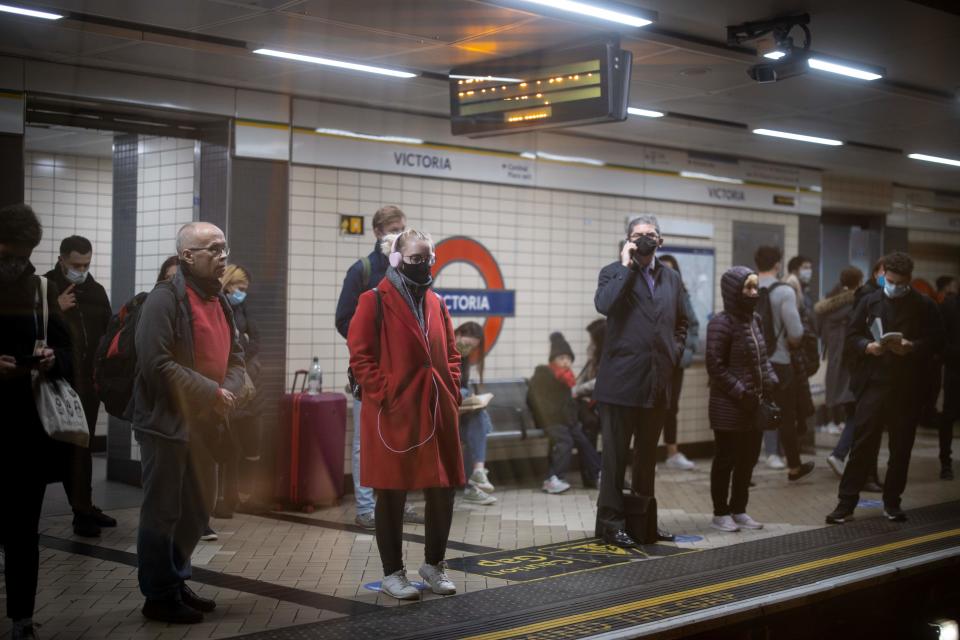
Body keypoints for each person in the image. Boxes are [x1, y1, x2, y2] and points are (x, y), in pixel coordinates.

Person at [133, 222, 246, 623]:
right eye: (212, 249)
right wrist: (210, 391)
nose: (221, 256)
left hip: (206, 425)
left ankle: (175, 581)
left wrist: (227, 388)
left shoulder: (221, 301)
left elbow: (236, 359)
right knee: (162, 512)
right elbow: (155, 363)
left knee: (197, 511)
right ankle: (158, 596)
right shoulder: (164, 300)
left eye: (224, 248)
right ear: (186, 256)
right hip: (166, 425)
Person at [347, 229, 463, 600]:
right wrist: (386, 394)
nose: (424, 265)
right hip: (393, 412)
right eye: (415, 259)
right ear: (396, 259)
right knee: (392, 493)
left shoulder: (436, 302)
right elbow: (361, 356)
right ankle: (393, 573)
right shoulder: (373, 300)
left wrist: (452, 387)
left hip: (436, 407)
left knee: (443, 489)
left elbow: (452, 352)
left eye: (428, 258)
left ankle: (433, 565)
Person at [826, 252, 945, 524]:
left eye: (899, 283)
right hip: (874, 385)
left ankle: (892, 502)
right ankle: (846, 503)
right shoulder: (869, 301)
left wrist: (912, 347)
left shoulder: (924, 306)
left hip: (907, 389)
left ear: (909, 281)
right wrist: (868, 346)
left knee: (900, 448)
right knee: (862, 446)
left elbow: (938, 341)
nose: (892, 286)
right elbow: (852, 337)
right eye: (888, 280)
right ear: (883, 276)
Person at [593, 214, 689, 548]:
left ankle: (643, 522)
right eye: (637, 235)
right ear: (628, 240)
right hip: (619, 383)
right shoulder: (612, 272)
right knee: (615, 459)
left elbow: (683, 322)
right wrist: (627, 266)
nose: (644, 239)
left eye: (650, 234)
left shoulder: (671, 278)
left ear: (660, 240)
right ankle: (611, 524)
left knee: (646, 459)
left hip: (656, 382)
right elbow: (605, 305)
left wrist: (673, 352)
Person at [1, 204, 72, 640]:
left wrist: (51, 359)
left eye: (24, 254)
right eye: (8, 253)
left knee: (24, 531)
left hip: (27, 428)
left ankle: (21, 620)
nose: (15, 263)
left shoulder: (42, 291)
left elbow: (67, 353)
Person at [334, 205, 422, 529]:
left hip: (405, 371)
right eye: (392, 228)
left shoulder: (412, 267)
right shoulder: (363, 269)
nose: (398, 233)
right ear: (377, 233)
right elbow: (343, 319)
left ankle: (400, 502)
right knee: (365, 440)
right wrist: (372, 344)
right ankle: (366, 507)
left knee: (403, 438)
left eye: (403, 227)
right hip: (369, 369)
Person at [43, 235, 116, 537]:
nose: (81, 270)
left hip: (88, 382)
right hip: (57, 381)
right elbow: (31, 330)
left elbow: (108, 329)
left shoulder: (95, 291)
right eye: (76, 265)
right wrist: (54, 308)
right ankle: (80, 510)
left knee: (81, 447)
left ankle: (83, 508)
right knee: (65, 448)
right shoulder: (45, 287)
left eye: (86, 264)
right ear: (61, 260)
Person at [706, 266, 777, 532]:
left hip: (753, 407)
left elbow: (763, 358)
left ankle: (739, 509)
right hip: (728, 407)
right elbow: (715, 366)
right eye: (748, 287)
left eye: (755, 287)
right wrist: (741, 392)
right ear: (733, 291)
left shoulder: (754, 320)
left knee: (748, 459)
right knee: (726, 459)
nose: (753, 292)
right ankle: (720, 513)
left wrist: (770, 381)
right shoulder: (720, 323)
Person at [755, 245, 816, 482]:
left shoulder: (746, 286)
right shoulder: (784, 291)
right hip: (779, 362)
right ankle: (793, 466)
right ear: (778, 265)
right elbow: (796, 331)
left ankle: (745, 469)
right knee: (786, 416)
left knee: (752, 415)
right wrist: (789, 343)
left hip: (753, 362)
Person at [212, 265, 264, 519]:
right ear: (228, 284)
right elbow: (232, 344)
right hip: (227, 384)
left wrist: (242, 344)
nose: (242, 294)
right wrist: (241, 343)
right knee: (226, 444)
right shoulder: (218, 307)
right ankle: (221, 499)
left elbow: (254, 339)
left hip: (247, 385)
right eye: (239, 289)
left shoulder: (242, 308)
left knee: (251, 442)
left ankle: (243, 496)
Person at [528, 332, 602, 494]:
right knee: (566, 441)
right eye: (561, 358)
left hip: (566, 421)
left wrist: (572, 419)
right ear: (553, 359)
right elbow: (536, 400)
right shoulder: (543, 375)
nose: (566, 362)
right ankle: (553, 478)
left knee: (583, 440)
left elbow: (569, 403)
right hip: (551, 421)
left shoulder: (567, 378)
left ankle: (599, 473)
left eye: (568, 359)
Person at [658, 254, 700, 471]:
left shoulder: (682, 295)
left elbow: (693, 325)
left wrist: (686, 351)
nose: (668, 273)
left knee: (671, 407)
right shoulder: (647, 292)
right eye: (663, 268)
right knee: (648, 406)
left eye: (672, 269)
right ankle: (643, 453)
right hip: (653, 362)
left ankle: (672, 453)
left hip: (675, 363)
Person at [454, 321, 497, 505]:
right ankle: (476, 477)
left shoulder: (463, 359)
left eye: (472, 347)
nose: (468, 349)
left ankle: (476, 476)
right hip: (435, 419)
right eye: (466, 343)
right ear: (457, 334)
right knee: (479, 426)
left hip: (455, 415)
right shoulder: (440, 351)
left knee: (476, 418)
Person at [573, 318, 605, 486]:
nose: (590, 343)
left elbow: (601, 381)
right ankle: (591, 475)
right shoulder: (593, 357)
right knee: (588, 425)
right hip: (588, 406)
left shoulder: (608, 358)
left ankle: (597, 474)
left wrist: (577, 390)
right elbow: (581, 381)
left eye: (592, 339)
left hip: (600, 406)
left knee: (590, 425)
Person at [939, 282, 960, 480]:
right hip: (954, 368)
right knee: (948, 416)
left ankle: (946, 462)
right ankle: (945, 462)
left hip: (953, 367)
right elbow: (940, 336)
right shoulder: (950, 305)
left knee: (948, 416)